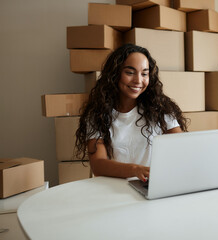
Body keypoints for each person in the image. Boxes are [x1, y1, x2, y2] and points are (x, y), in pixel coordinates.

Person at [75, 43, 188, 182]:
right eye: (130, 72)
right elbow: (98, 165)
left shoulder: (160, 109)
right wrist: (135, 170)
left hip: (151, 186)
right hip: (114, 188)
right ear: (115, 74)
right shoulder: (97, 114)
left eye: (144, 74)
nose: (138, 80)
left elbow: (183, 147)